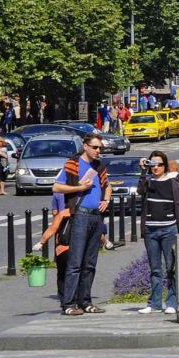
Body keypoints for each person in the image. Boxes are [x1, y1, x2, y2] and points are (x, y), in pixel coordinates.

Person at [51, 134, 110, 316]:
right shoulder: (72, 164)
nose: (98, 151)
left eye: (100, 148)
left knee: (90, 263)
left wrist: (106, 199)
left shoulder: (99, 166)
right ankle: (68, 304)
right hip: (81, 216)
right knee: (75, 262)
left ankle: (86, 302)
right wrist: (79, 188)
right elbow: (56, 187)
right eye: (95, 147)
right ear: (85, 146)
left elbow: (107, 185)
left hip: (95, 217)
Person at [137, 151, 179, 315]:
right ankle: (155, 303)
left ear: (165, 166)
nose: (155, 167)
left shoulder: (173, 183)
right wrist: (143, 171)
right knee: (155, 269)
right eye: (152, 164)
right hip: (151, 229)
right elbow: (140, 191)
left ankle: (172, 301)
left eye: (158, 164)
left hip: (168, 229)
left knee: (170, 267)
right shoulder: (149, 182)